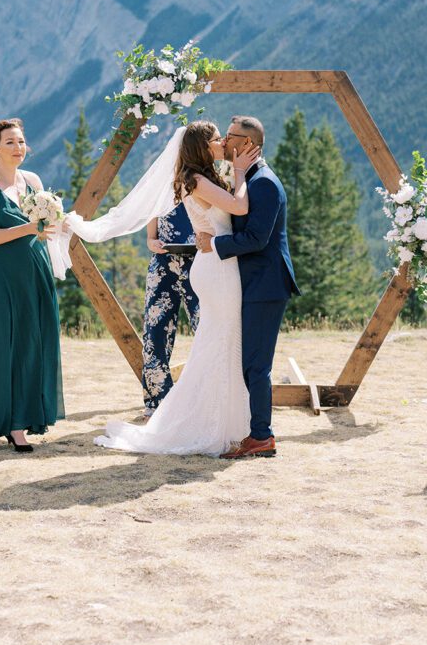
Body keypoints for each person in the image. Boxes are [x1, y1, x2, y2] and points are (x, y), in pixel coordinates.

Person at [93, 120, 260, 456]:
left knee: (219, 345)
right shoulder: (196, 180)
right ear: (202, 146)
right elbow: (239, 207)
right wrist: (241, 171)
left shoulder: (204, 177)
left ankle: (224, 419)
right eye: (216, 139)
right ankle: (196, 419)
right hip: (214, 270)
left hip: (214, 264)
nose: (222, 143)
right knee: (214, 345)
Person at [196, 115, 299, 459]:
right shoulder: (248, 177)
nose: (223, 142)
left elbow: (257, 238)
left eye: (229, 137)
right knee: (250, 362)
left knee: (256, 364)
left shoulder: (265, 183)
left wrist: (216, 246)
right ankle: (257, 432)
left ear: (248, 144)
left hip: (266, 285)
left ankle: (262, 436)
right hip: (252, 283)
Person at [0, 118, 64, 454]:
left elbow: (43, 229)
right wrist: (29, 228)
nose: (18, 148)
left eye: (21, 142)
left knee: (29, 348)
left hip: (33, 273)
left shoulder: (33, 181)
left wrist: (49, 228)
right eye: (10, 143)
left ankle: (19, 426)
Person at [142, 204, 199, 418]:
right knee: (155, 333)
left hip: (200, 261)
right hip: (163, 263)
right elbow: (151, 230)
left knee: (206, 328)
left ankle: (207, 397)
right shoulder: (162, 182)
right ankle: (157, 402)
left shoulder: (205, 177)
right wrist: (151, 240)